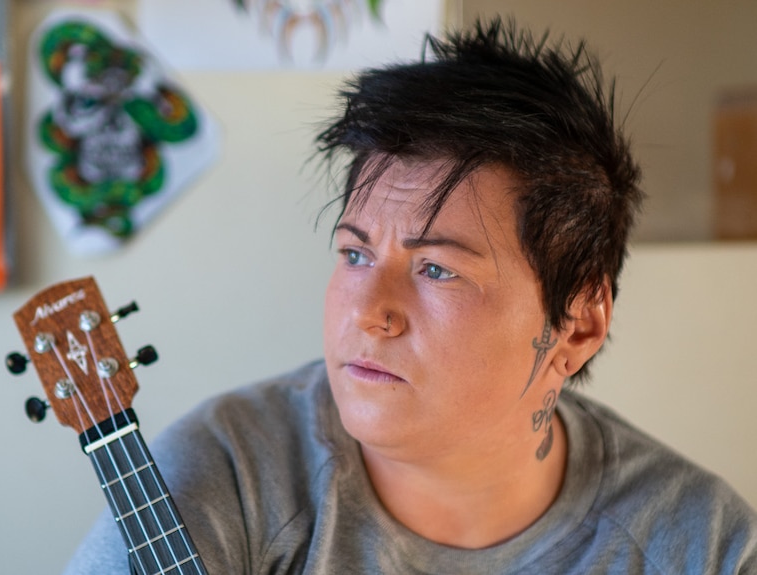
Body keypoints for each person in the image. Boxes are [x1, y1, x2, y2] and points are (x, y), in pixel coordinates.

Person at [63, 17, 757, 574]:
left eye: (437, 270)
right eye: (356, 252)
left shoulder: (703, 545)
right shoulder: (222, 483)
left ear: (577, 325)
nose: (368, 311)